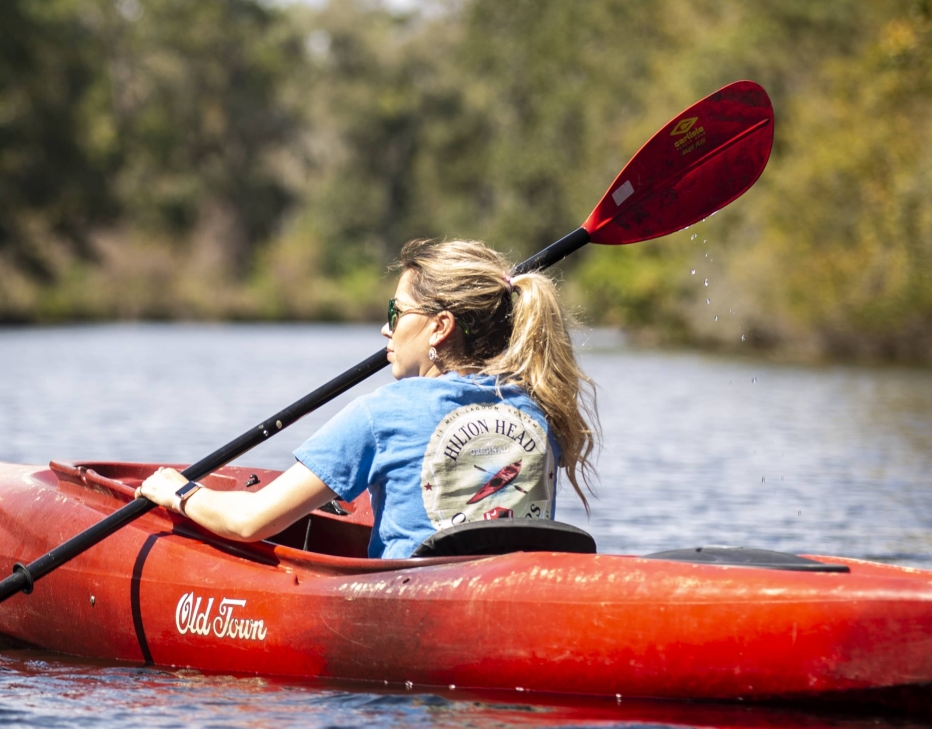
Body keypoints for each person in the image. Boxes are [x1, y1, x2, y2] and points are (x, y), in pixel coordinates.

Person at [137, 238, 598, 558]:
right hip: (509, 603)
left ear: (440, 326)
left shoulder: (384, 412)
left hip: (411, 617)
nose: (385, 328)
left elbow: (252, 521)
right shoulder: (540, 409)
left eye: (396, 312)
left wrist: (179, 493)